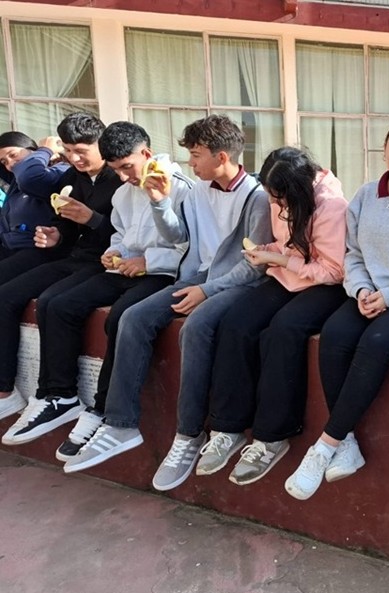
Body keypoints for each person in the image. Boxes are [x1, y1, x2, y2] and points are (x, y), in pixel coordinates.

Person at [63, 114, 272, 493]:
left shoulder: (256, 197)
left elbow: (253, 266)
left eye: (196, 155)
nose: (190, 163)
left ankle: (188, 433)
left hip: (236, 285)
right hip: (196, 278)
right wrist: (159, 202)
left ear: (221, 156)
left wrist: (207, 291)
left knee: (194, 328)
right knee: (133, 318)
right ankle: (121, 424)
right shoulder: (198, 191)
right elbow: (179, 237)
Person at [283, 118, 389, 501]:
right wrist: (361, 288)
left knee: (377, 341)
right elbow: (353, 254)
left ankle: (325, 445)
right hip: (372, 290)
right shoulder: (364, 196)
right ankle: (347, 444)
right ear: (384, 149)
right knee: (335, 334)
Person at [1, 122, 192, 455]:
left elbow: (190, 247)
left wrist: (147, 260)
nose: (123, 176)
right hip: (122, 267)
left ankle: (102, 409)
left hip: (163, 274)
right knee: (58, 304)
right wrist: (115, 251)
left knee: (120, 318)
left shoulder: (182, 188)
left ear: (146, 153)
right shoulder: (122, 191)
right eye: (116, 170)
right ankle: (58, 396)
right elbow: (120, 234)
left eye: (127, 167)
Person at [193, 146, 348, 486]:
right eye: (272, 197)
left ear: (299, 190)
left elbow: (334, 270)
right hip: (287, 275)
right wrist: (268, 251)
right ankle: (228, 428)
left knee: (283, 331)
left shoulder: (331, 206)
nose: (276, 204)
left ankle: (271, 437)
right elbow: (286, 243)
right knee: (236, 324)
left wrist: (278, 260)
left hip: (324, 285)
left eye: (280, 199)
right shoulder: (279, 195)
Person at [0, 113, 121, 427]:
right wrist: (55, 235)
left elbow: (132, 233)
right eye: (68, 150)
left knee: (56, 303)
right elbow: (64, 225)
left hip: (109, 262)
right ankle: (8, 391)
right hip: (75, 257)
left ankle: (59, 394)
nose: (74, 158)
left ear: (101, 145)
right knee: (7, 296)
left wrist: (92, 219)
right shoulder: (72, 177)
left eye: (81, 151)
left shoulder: (120, 178)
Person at [0, 131, 70, 283]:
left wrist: (45, 150)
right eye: (4, 162)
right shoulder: (16, 179)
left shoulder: (60, 171)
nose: (10, 164)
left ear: (32, 150)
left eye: (13, 155)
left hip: (38, 250)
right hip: (10, 246)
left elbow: (30, 179)